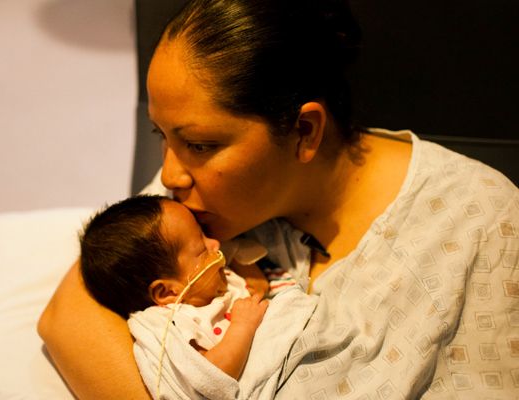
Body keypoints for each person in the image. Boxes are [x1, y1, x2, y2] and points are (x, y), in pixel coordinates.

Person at [38, 0, 519, 398]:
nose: (168, 174)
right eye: (160, 135)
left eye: (200, 145)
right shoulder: (201, 206)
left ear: (304, 131)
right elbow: (67, 317)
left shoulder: (482, 223)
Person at [79, 195, 318, 399]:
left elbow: (257, 289)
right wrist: (242, 325)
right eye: (202, 249)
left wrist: (238, 256)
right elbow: (211, 374)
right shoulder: (173, 322)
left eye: (204, 234)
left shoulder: (215, 278)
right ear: (167, 292)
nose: (215, 244)